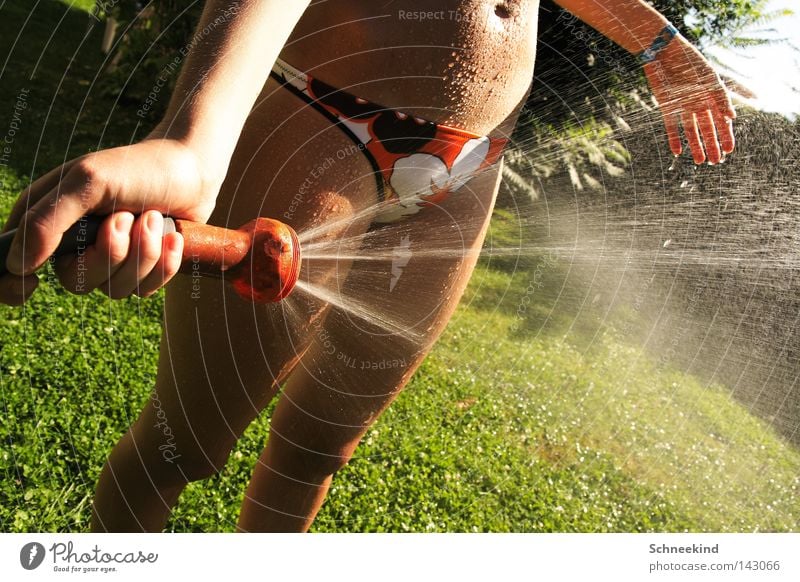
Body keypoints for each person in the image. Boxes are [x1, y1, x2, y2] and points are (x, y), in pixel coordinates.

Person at [0, 0, 735, 532]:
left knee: (320, 450)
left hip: (472, 165)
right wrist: (198, 139)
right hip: (326, 116)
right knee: (183, 444)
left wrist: (656, 41)